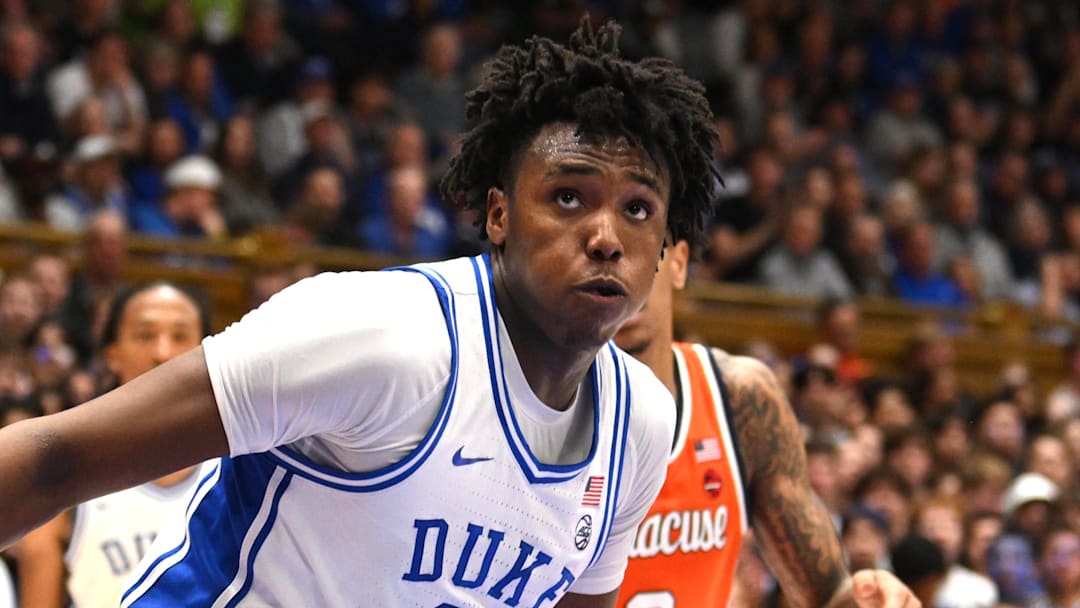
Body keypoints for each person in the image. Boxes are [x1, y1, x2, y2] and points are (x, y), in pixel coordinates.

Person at [1, 19, 747, 607]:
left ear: (665, 250)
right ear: (498, 216)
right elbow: (60, 456)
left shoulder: (639, 428)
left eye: (640, 209)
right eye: (567, 196)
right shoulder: (386, 337)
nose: (606, 236)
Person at [614, 239, 916, 606]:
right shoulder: (532, 408)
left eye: (641, 233)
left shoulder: (741, 398)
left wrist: (874, 599)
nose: (621, 269)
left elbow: (827, 593)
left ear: (679, 263)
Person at [9, 282, 216, 608]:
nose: (162, 353)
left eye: (180, 337)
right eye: (145, 335)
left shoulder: (243, 472)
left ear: (207, 354)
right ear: (113, 355)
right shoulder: (65, 475)